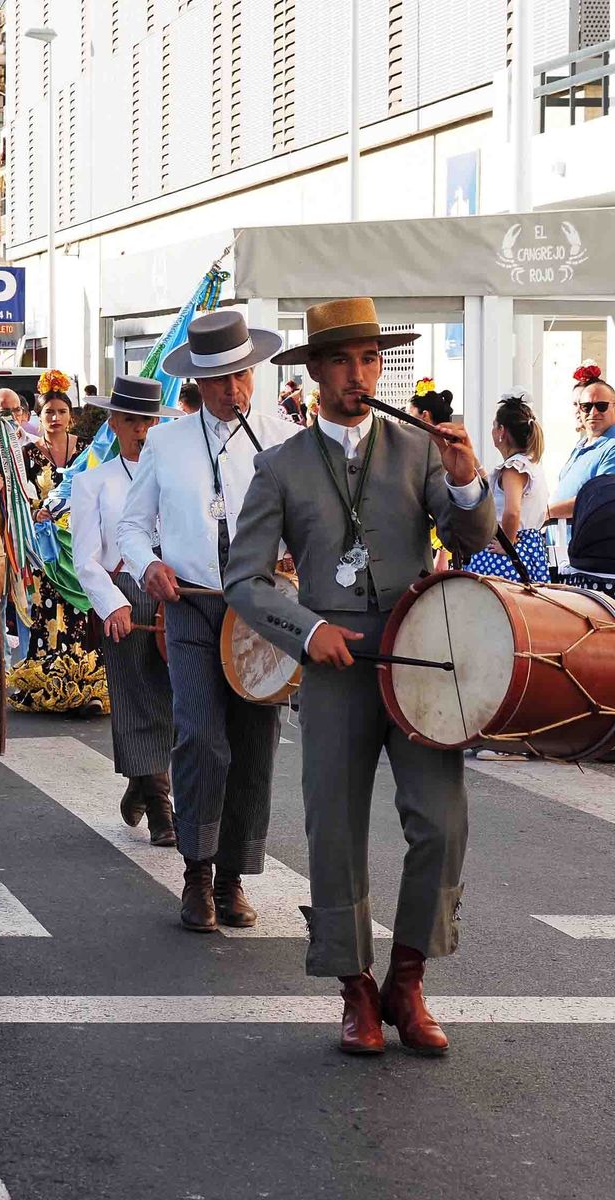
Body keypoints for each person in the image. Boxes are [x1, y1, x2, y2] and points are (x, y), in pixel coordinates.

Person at [227, 297, 495, 1056]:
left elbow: (474, 538)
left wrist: (469, 475)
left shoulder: (419, 449)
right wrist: (308, 630)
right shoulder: (278, 466)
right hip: (335, 668)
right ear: (314, 372)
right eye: (343, 360)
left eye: (371, 358)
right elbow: (245, 580)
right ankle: (355, 989)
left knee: (441, 822)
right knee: (334, 828)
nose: (359, 374)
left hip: (420, 663)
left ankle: (407, 981)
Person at [117, 309, 302, 932]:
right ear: (199, 381)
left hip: (261, 612)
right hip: (192, 605)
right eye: (220, 379)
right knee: (201, 737)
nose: (233, 389)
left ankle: (231, 879)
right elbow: (133, 527)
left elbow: (306, 525)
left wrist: (297, 556)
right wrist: (148, 566)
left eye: (242, 375)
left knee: (256, 743)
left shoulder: (280, 438)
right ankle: (196, 871)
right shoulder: (167, 442)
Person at [71, 376, 177, 848]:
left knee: (179, 701)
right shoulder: (93, 481)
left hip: (179, 594)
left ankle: (142, 779)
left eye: (149, 419)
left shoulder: (177, 476)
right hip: (126, 596)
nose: (141, 429)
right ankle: (160, 806)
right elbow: (84, 558)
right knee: (137, 698)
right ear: (113, 423)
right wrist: (111, 603)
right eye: (131, 420)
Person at [2, 371, 107, 714]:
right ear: (39, 416)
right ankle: (49, 679)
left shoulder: (88, 451)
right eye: (49, 413)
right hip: (45, 546)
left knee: (83, 609)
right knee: (48, 610)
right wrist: (34, 512)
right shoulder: (27, 454)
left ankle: (87, 683)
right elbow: (20, 497)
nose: (55, 418)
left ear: (70, 416)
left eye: (61, 412)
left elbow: (97, 489)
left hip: (81, 541)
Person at [464, 392, 549, 583]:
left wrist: (508, 544)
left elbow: (512, 511)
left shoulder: (513, 469)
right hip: (529, 545)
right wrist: (473, 461)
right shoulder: (528, 464)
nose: (492, 431)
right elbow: (498, 493)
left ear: (501, 431)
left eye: (494, 426)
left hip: (511, 548)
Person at [549, 363, 615, 522]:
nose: (593, 412)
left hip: (588, 543)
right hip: (562, 542)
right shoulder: (581, 446)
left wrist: (547, 512)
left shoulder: (612, 447)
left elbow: (600, 498)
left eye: (601, 406)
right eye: (586, 406)